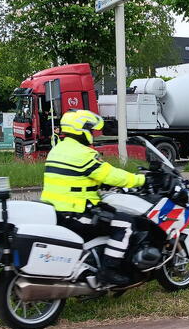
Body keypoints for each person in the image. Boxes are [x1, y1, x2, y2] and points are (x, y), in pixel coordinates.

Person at [41, 109, 146, 286]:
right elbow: (112, 175)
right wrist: (140, 179)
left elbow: (73, 178)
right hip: (76, 213)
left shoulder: (57, 150)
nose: (91, 134)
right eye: (89, 130)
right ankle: (108, 271)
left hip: (55, 211)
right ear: (80, 130)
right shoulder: (84, 154)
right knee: (126, 224)